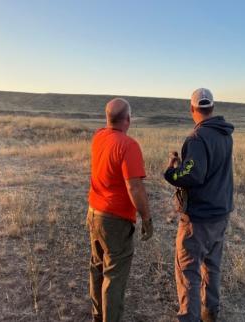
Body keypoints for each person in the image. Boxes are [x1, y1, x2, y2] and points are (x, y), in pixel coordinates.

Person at [164, 88, 234, 322]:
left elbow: (192, 175)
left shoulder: (197, 138)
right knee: (212, 266)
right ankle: (210, 312)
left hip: (199, 218)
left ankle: (189, 317)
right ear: (212, 107)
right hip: (220, 213)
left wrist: (171, 171)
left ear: (192, 109)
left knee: (188, 273)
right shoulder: (225, 134)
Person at [87, 97, 153, 322]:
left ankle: (98, 315)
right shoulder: (128, 145)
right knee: (113, 277)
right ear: (128, 119)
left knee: (97, 268)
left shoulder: (98, 137)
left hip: (94, 212)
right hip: (115, 220)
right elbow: (134, 187)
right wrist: (146, 217)